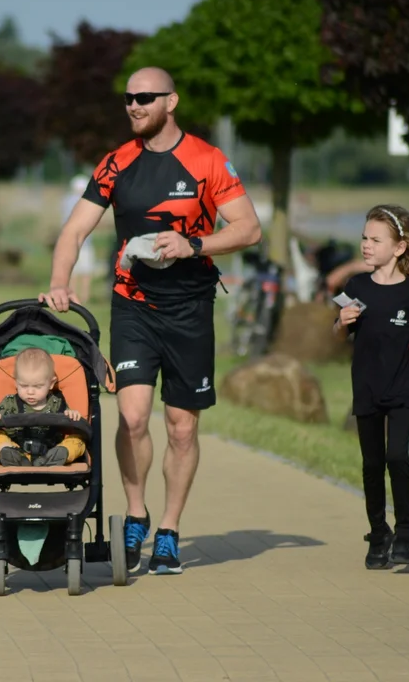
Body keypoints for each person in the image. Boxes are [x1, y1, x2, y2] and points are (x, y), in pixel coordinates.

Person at [40, 67, 263, 575]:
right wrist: (59, 280)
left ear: (171, 101)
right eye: (128, 98)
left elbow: (249, 228)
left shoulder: (207, 160)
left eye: (145, 97)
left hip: (190, 308)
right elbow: (74, 231)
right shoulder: (117, 162)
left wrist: (195, 245)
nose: (134, 105)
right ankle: (136, 512)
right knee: (134, 417)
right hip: (133, 304)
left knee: (182, 428)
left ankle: (169, 530)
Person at [332, 204, 409, 570]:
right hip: (367, 382)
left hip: (405, 380)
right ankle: (379, 534)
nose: (366, 245)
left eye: (375, 240)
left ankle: (405, 532)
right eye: (364, 237)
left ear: (398, 247)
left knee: (397, 456)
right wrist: (341, 322)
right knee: (372, 463)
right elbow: (339, 331)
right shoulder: (356, 286)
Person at [0, 347, 87, 467]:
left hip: (51, 450)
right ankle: (9, 453)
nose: (30, 392)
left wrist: (72, 415)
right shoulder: (10, 403)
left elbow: (72, 422)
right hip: (17, 448)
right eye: (23, 386)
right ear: (16, 382)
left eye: (37, 386)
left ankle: (61, 454)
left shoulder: (57, 403)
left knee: (78, 439)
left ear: (51, 383)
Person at [60, 174, 96, 304]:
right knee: (86, 272)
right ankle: (85, 297)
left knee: (73, 272)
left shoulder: (66, 201)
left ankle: (72, 297)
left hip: (70, 243)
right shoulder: (86, 201)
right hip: (85, 243)